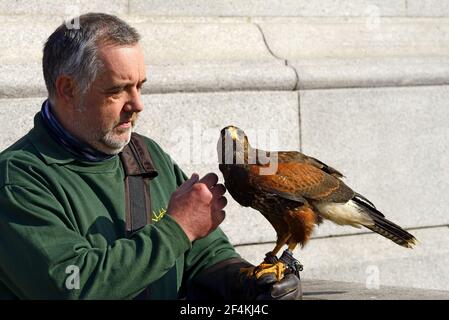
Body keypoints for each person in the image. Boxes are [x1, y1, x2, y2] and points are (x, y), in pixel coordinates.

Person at [0, 13, 301, 300]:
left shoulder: (145, 155)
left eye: (140, 86)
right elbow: (73, 286)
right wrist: (177, 228)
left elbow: (206, 254)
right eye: (117, 90)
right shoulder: (18, 180)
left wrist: (248, 282)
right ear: (68, 89)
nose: (138, 104)